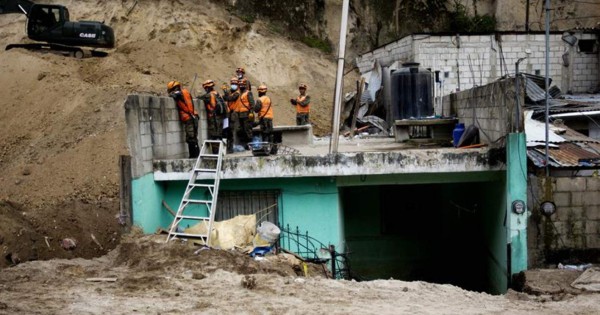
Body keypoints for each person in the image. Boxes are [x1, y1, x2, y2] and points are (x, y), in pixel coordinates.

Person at [167, 80, 200, 158]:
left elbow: (173, 96)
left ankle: (193, 157)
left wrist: (171, 94)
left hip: (189, 118)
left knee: (191, 138)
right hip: (193, 116)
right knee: (194, 138)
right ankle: (197, 156)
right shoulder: (186, 92)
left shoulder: (178, 93)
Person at [198, 79, 227, 153]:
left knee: (214, 136)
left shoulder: (209, 95)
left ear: (207, 88)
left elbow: (200, 98)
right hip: (221, 117)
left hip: (214, 118)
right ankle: (220, 152)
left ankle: (215, 153)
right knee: (219, 135)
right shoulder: (218, 93)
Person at [222, 77, 241, 152]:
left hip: (234, 113)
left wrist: (225, 92)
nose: (233, 85)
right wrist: (225, 93)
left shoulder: (237, 93)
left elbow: (230, 98)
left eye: (235, 84)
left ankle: (230, 148)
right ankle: (227, 147)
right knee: (226, 130)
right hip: (228, 113)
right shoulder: (230, 92)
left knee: (230, 130)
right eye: (232, 84)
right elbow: (224, 98)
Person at [236, 78, 256, 147]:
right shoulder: (239, 93)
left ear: (245, 86)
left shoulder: (248, 93)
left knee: (248, 130)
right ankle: (246, 144)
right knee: (243, 130)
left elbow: (252, 104)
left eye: (242, 85)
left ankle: (250, 145)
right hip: (241, 115)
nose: (241, 86)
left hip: (247, 115)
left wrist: (251, 112)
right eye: (240, 85)